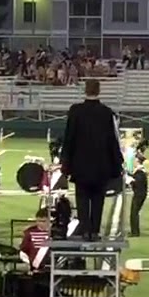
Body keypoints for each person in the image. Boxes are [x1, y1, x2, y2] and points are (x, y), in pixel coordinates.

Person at [60, 79, 123, 241]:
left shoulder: (75, 111)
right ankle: (94, 231)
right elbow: (112, 141)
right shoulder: (107, 112)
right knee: (98, 200)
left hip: (80, 167)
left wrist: (65, 165)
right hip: (101, 167)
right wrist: (117, 166)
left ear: (85, 90)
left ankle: (84, 230)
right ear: (99, 91)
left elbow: (69, 139)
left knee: (81, 198)